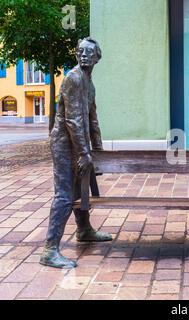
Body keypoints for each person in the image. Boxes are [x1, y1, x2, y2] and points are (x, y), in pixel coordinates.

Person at [40, 37, 112, 269]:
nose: (84, 55)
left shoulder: (89, 84)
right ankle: (50, 250)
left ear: (97, 57)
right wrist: (84, 153)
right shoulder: (73, 78)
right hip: (63, 143)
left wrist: (97, 150)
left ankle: (84, 230)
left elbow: (92, 118)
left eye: (89, 53)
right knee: (64, 194)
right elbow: (72, 120)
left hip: (78, 143)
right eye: (80, 51)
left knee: (80, 185)